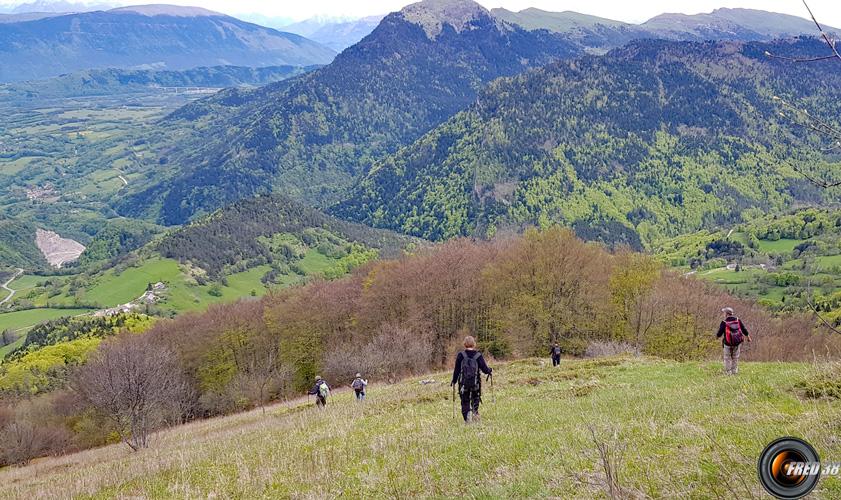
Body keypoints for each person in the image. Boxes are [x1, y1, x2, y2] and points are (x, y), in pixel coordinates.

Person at [451, 335, 492, 424]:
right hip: (475, 383)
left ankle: (467, 418)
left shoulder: (461, 355)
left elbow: (457, 370)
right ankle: (475, 413)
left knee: (464, 400)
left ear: (464, 344)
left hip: (463, 383)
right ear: (474, 344)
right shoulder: (478, 355)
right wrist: (490, 370)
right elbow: (485, 370)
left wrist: (454, 381)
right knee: (475, 397)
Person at [716, 307, 751, 375]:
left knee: (727, 357)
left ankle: (728, 372)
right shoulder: (738, 320)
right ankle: (734, 371)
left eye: (724, 313)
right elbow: (744, 329)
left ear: (726, 314)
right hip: (737, 343)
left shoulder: (724, 322)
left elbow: (720, 333)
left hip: (727, 343)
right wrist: (748, 337)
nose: (723, 314)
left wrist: (717, 337)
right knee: (735, 357)